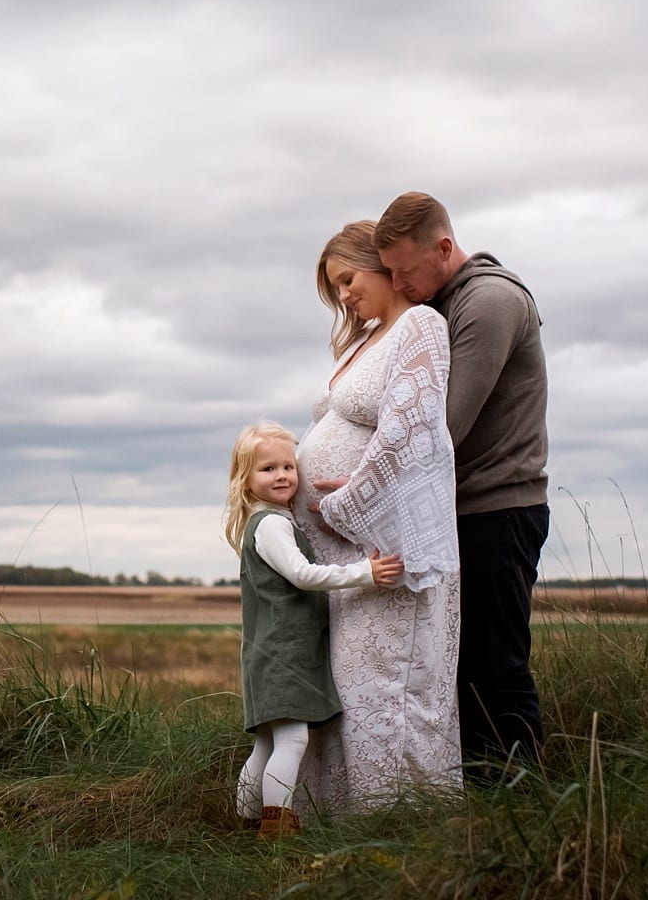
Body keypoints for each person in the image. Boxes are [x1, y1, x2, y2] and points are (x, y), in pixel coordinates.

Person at [372, 191, 549, 773]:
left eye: (403, 271)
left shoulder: (490, 301)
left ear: (444, 247)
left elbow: (442, 423)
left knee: (495, 662)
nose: (398, 283)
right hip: (462, 512)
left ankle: (523, 803)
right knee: (461, 662)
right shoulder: (448, 302)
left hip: (497, 510)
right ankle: (478, 802)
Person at [293, 223, 463, 813]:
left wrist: (348, 501)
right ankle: (343, 821)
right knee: (348, 689)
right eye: (333, 287)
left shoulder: (421, 325)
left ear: (382, 266)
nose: (342, 295)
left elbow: (414, 434)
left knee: (387, 687)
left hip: (383, 548)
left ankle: (399, 822)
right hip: (344, 560)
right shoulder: (364, 339)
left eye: (347, 278)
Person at [225, 420, 403, 838]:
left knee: (267, 745)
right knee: (291, 743)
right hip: (284, 653)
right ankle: (276, 830)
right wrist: (366, 572)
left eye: (288, 466)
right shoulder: (270, 524)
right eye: (267, 469)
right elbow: (302, 575)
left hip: (268, 652)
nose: (283, 475)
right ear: (245, 479)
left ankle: (246, 825)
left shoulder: (266, 520)